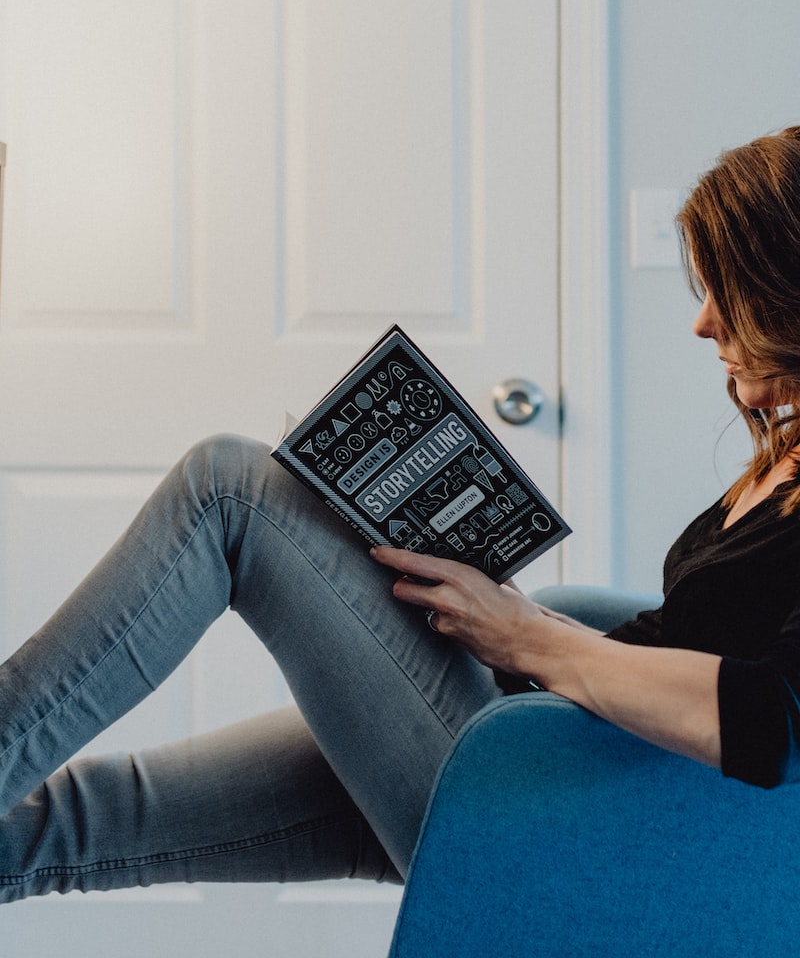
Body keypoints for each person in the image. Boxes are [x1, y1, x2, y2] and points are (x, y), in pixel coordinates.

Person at [2, 125, 800, 902]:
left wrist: (527, 637)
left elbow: (776, 724)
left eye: (730, 293)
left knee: (230, 487)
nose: (704, 324)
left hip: (577, 844)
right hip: (556, 771)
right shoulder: (783, 465)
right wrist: (527, 624)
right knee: (60, 822)